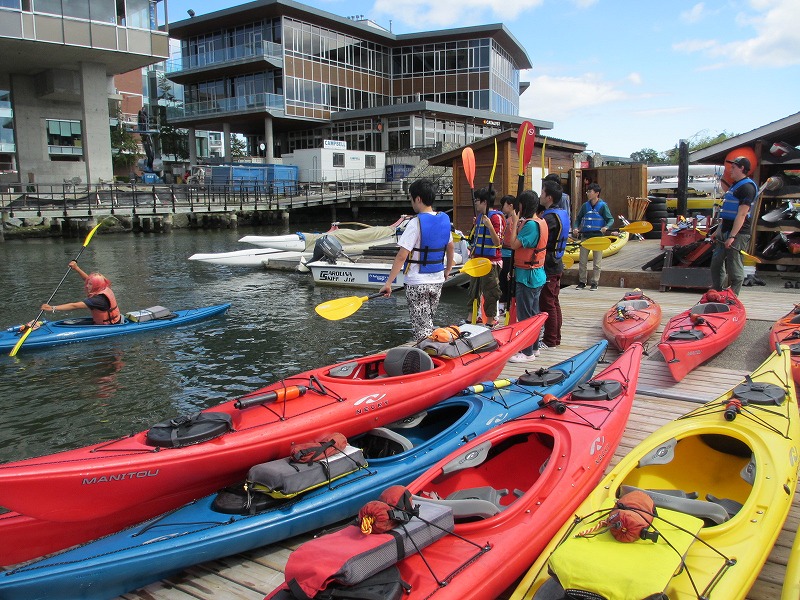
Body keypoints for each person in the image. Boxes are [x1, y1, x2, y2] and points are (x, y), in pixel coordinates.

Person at [380, 178, 454, 339]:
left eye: (411, 198)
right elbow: (451, 247)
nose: (411, 202)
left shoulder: (415, 223)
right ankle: (431, 348)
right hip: (437, 281)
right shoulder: (444, 219)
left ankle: (429, 352)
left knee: (422, 330)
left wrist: (388, 283)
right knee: (428, 323)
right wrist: (448, 270)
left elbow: (402, 256)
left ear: (418, 199)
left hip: (417, 283)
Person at [506, 190, 548, 362]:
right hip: (535, 274)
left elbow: (513, 244)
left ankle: (527, 352)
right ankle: (534, 347)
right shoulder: (541, 221)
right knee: (533, 313)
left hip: (528, 277)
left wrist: (515, 222)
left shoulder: (530, 225)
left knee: (525, 316)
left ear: (523, 206)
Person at [710, 156, 758, 295]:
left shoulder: (747, 188)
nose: (730, 170)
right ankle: (717, 292)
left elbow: (742, 214)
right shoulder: (735, 185)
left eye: (733, 167)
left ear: (742, 168)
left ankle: (733, 296)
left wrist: (732, 236)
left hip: (738, 233)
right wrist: (718, 230)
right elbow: (727, 213)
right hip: (725, 229)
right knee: (716, 263)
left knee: (734, 267)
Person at [466, 186, 504, 326]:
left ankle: (490, 321)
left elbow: (498, 242)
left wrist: (489, 226)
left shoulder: (496, 218)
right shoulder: (479, 218)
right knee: (473, 291)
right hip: (477, 260)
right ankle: (471, 318)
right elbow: (475, 239)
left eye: (477, 200)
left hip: (491, 262)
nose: (475, 203)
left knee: (490, 293)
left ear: (484, 202)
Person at [539, 181, 570, 348]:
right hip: (557, 262)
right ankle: (555, 337)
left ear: (549, 197)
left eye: (542, 192)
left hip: (549, 264)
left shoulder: (549, 218)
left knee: (547, 302)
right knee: (553, 301)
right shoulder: (562, 213)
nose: (540, 195)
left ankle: (550, 340)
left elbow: (539, 238)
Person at [41, 261, 122, 325]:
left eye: (90, 284)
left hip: (110, 325)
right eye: (88, 283)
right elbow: (87, 279)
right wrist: (76, 268)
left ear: (96, 285)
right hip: (114, 320)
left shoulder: (98, 300)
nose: (87, 286)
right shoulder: (104, 287)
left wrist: (52, 308)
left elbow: (74, 305)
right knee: (67, 323)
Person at [573, 183, 614, 291]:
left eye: (590, 191)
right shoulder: (585, 206)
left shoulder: (603, 206)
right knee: (582, 261)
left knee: (597, 262)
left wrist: (606, 227)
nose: (588, 193)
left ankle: (594, 282)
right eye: (587, 191)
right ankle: (582, 282)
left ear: (597, 193)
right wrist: (576, 228)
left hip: (598, 238)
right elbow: (578, 219)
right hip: (585, 236)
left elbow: (610, 219)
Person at [499, 194, 520, 315]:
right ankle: (503, 304)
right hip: (504, 253)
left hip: (509, 254)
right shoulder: (506, 219)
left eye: (504, 205)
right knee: (503, 281)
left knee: (507, 281)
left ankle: (508, 305)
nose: (502, 207)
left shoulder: (514, 221)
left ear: (510, 206)